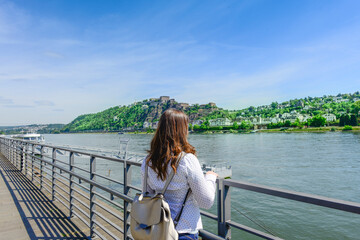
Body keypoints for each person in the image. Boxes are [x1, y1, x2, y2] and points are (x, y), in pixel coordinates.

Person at [141, 108, 218, 240]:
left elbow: (147, 195)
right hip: (183, 231)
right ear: (182, 130)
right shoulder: (187, 160)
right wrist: (210, 177)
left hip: (157, 230)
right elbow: (206, 201)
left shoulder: (148, 161)